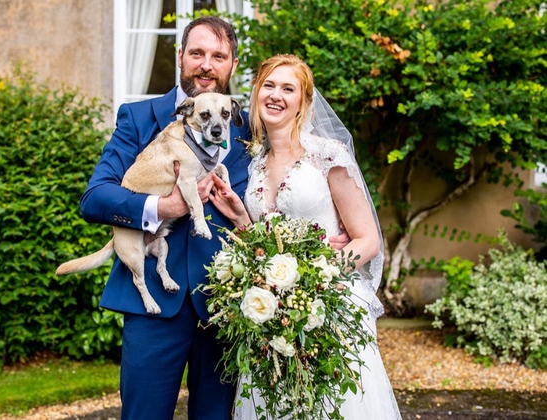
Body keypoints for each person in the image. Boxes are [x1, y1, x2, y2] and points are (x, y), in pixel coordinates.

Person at [209, 54, 402, 419]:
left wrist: (319, 276)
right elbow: (269, 245)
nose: (276, 95)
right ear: (255, 93)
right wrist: (240, 219)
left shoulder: (328, 156)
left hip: (327, 309)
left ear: (304, 101)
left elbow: (367, 240)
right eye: (268, 85)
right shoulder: (254, 165)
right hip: (271, 314)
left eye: (288, 88)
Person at [79, 16, 252, 420]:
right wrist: (163, 208)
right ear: (180, 57)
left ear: (231, 64)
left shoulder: (247, 128)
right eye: (197, 53)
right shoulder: (139, 117)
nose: (206, 64)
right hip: (154, 306)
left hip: (226, 310)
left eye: (218, 56)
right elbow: (95, 197)